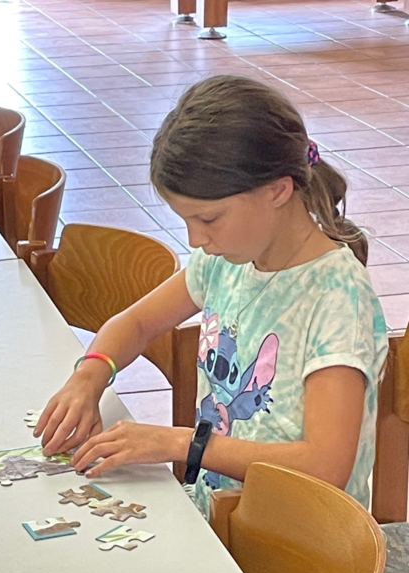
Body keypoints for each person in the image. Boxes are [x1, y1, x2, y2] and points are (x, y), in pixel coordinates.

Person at [34, 75, 388, 520]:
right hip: (223, 522)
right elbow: (137, 323)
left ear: (278, 191)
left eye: (208, 219)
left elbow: (326, 465)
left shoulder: (337, 296)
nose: (195, 239)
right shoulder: (225, 259)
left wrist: (181, 443)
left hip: (301, 544)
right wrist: (88, 378)